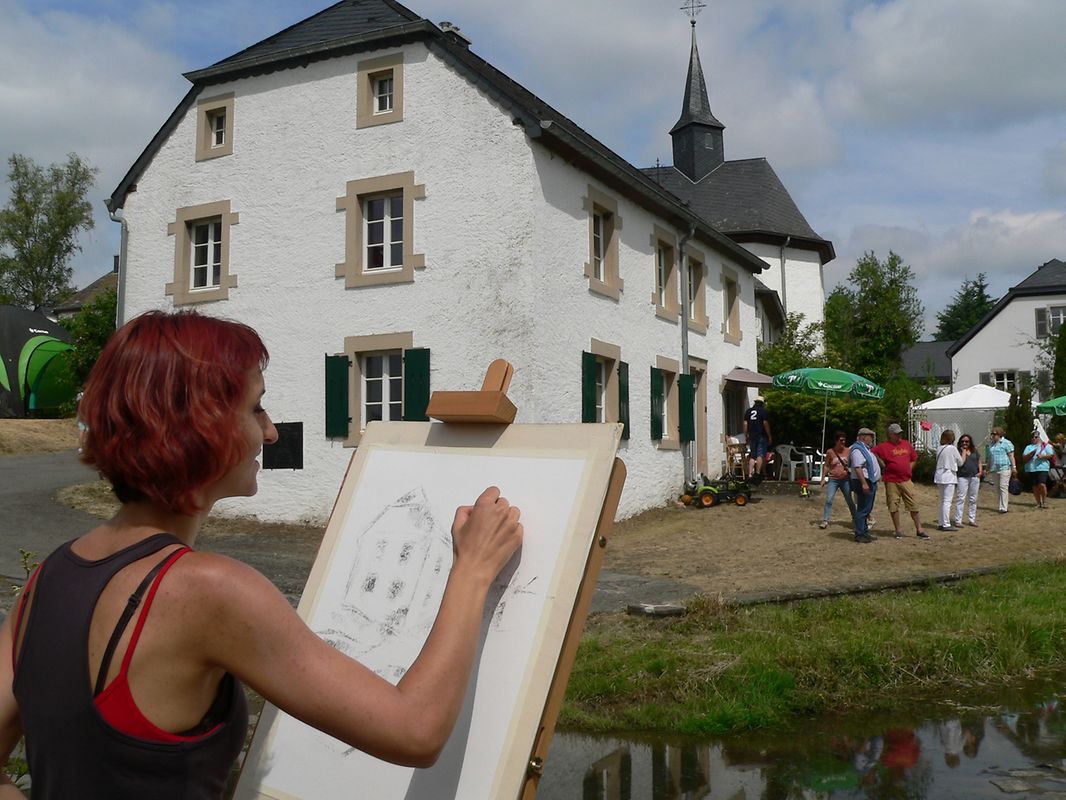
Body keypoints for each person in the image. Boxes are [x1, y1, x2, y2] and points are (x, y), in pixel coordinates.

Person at [0, 310, 524, 797]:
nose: (270, 431)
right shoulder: (206, 590)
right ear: (199, 426)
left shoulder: (48, 578)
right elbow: (415, 731)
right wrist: (473, 569)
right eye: (256, 408)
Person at [871, 422, 928, 540]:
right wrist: (880, 461)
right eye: (896, 434)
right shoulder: (884, 446)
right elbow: (872, 452)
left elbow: (914, 458)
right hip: (891, 480)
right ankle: (898, 530)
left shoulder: (906, 444)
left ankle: (919, 529)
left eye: (900, 433)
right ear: (890, 434)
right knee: (893, 505)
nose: (899, 436)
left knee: (913, 504)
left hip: (906, 479)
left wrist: (909, 468)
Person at [818, 431, 858, 529]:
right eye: (841, 440)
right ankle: (825, 519)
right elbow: (826, 465)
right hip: (833, 479)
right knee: (829, 499)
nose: (843, 442)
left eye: (844, 440)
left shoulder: (848, 451)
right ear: (836, 441)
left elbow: (854, 464)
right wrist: (823, 478)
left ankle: (855, 518)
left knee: (849, 500)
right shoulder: (830, 452)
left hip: (845, 479)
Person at [849, 427, 881, 543]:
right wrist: (864, 483)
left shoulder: (865, 449)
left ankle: (864, 531)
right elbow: (858, 468)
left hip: (869, 481)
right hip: (864, 481)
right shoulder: (857, 450)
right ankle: (860, 533)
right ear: (863, 437)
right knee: (863, 509)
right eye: (869, 436)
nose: (871, 438)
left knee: (866, 508)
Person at [933, 429, 963, 530]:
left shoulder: (939, 448)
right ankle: (946, 524)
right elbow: (960, 462)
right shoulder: (952, 448)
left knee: (942, 501)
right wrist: (963, 453)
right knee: (947, 501)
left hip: (939, 475)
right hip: (949, 476)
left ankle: (941, 522)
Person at [953, 433, 984, 527]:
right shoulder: (958, 451)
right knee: (960, 498)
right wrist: (963, 451)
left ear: (970, 442)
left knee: (973, 499)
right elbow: (960, 463)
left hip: (974, 477)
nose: (964, 443)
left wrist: (980, 471)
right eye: (962, 441)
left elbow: (979, 461)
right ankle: (958, 520)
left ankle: (972, 519)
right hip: (963, 477)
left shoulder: (974, 451)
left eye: (966, 441)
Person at [985, 426, 1018, 513]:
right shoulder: (991, 445)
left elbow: (1011, 456)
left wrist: (1014, 467)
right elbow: (989, 458)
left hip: (1005, 468)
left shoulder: (1006, 443)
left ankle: (1004, 507)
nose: (992, 436)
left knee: (1003, 486)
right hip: (994, 469)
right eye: (992, 434)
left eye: (994, 434)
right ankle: (1000, 505)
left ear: (999, 434)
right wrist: (987, 468)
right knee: (998, 488)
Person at [742, 395, 772, 481]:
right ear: (762, 403)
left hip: (752, 436)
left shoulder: (748, 411)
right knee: (760, 455)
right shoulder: (763, 411)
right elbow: (765, 423)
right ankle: (758, 473)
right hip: (761, 435)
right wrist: (769, 435)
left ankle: (750, 473)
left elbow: (745, 424)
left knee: (752, 455)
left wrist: (746, 435)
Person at [1022, 430, 1054, 509]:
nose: (1034, 439)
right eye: (1032, 437)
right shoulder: (1028, 447)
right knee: (1035, 486)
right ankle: (1038, 503)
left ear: (1039, 437)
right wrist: (1031, 453)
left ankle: (1044, 501)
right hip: (1031, 468)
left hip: (1043, 467)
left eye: (1036, 437)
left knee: (1042, 484)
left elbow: (1051, 455)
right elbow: (1024, 458)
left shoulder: (1045, 446)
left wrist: (1043, 456)